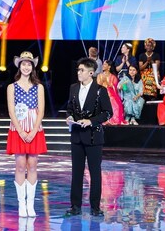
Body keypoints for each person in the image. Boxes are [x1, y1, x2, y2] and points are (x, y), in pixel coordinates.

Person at [65, 57, 113, 217]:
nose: (79, 72)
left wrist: (91, 121)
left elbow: (108, 113)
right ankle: (75, 206)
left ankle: (95, 207)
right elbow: (70, 108)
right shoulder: (73, 88)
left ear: (91, 73)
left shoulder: (100, 90)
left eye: (82, 70)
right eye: (78, 70)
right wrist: (69, 117)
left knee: (95, 173)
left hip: (93, 137)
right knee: (76, 172)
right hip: (77, 136)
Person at [6, 52, 47, 217]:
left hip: (34, 127)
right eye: (23, 64)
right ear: (19, 66)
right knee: (20, 165)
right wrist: (21, 131)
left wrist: (34, 130)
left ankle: (30, 204)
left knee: (33, 165)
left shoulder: (39, 87)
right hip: (18, 128)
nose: (26, 67)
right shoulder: (12, 87)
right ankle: (21, 204)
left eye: (29, 64)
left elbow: (41, 110)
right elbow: (11, 111)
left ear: (33, 67)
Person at [97, 60, 124, 125]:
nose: (103, 65)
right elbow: (98, 86)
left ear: (109, 67)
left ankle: (112, 119)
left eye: (104, 64)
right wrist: (102, 81)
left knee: (114, 102)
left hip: (111, 95)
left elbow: (114, 88)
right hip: (101, 94)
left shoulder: (113, 77)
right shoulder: (100, 75)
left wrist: (106, 82)